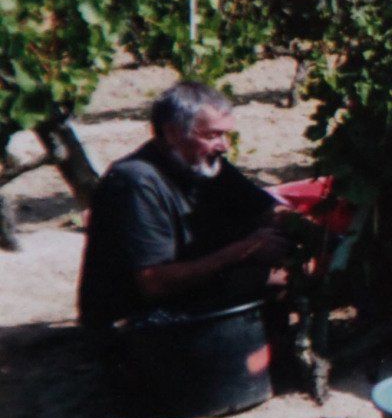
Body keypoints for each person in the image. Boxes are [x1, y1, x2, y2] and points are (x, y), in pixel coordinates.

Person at [78, 81, 290, 336]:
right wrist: (244, 250)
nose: (224, 145)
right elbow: (153, 282)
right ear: (172, 133)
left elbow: (264, 208)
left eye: (225, 134)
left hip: (180, 296)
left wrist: (304, 227)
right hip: (137, 323)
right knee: (276, 277)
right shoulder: (136, 183)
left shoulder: (205, 164)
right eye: (212, 135)